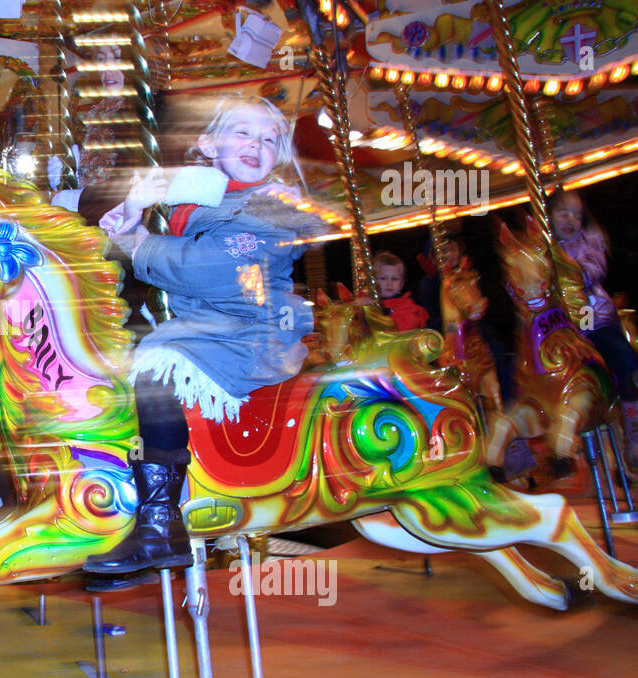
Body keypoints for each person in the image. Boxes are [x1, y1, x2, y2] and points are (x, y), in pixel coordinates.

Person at [83, 93, 322, 574]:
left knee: (155, 374)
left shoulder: (273, 207)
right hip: (211, 327)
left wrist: (141, 243)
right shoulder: (208, 201)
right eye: (243, 133)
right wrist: (130, 217)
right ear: (209, 145)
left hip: (248, 334)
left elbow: (213, 268)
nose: (258, 144)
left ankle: (159, 523)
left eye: (270, 139)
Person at [548, 187, 638, 466]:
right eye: (563, 212)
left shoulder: (589, 242)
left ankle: (634, 427)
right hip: (556, 323)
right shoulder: (542, 246)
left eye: (577, 214)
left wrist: (566, 265)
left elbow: (592, 271)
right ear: (548, 215)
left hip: (590, 313)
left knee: (617, 352)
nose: (570, 220)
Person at [375, 251, 429, 331]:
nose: (389, 283)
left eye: (394, 279)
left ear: (402, 284)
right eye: (383, 278)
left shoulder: (407, 306)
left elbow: (405, 327)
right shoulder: (374, 303)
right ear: (374, 281)